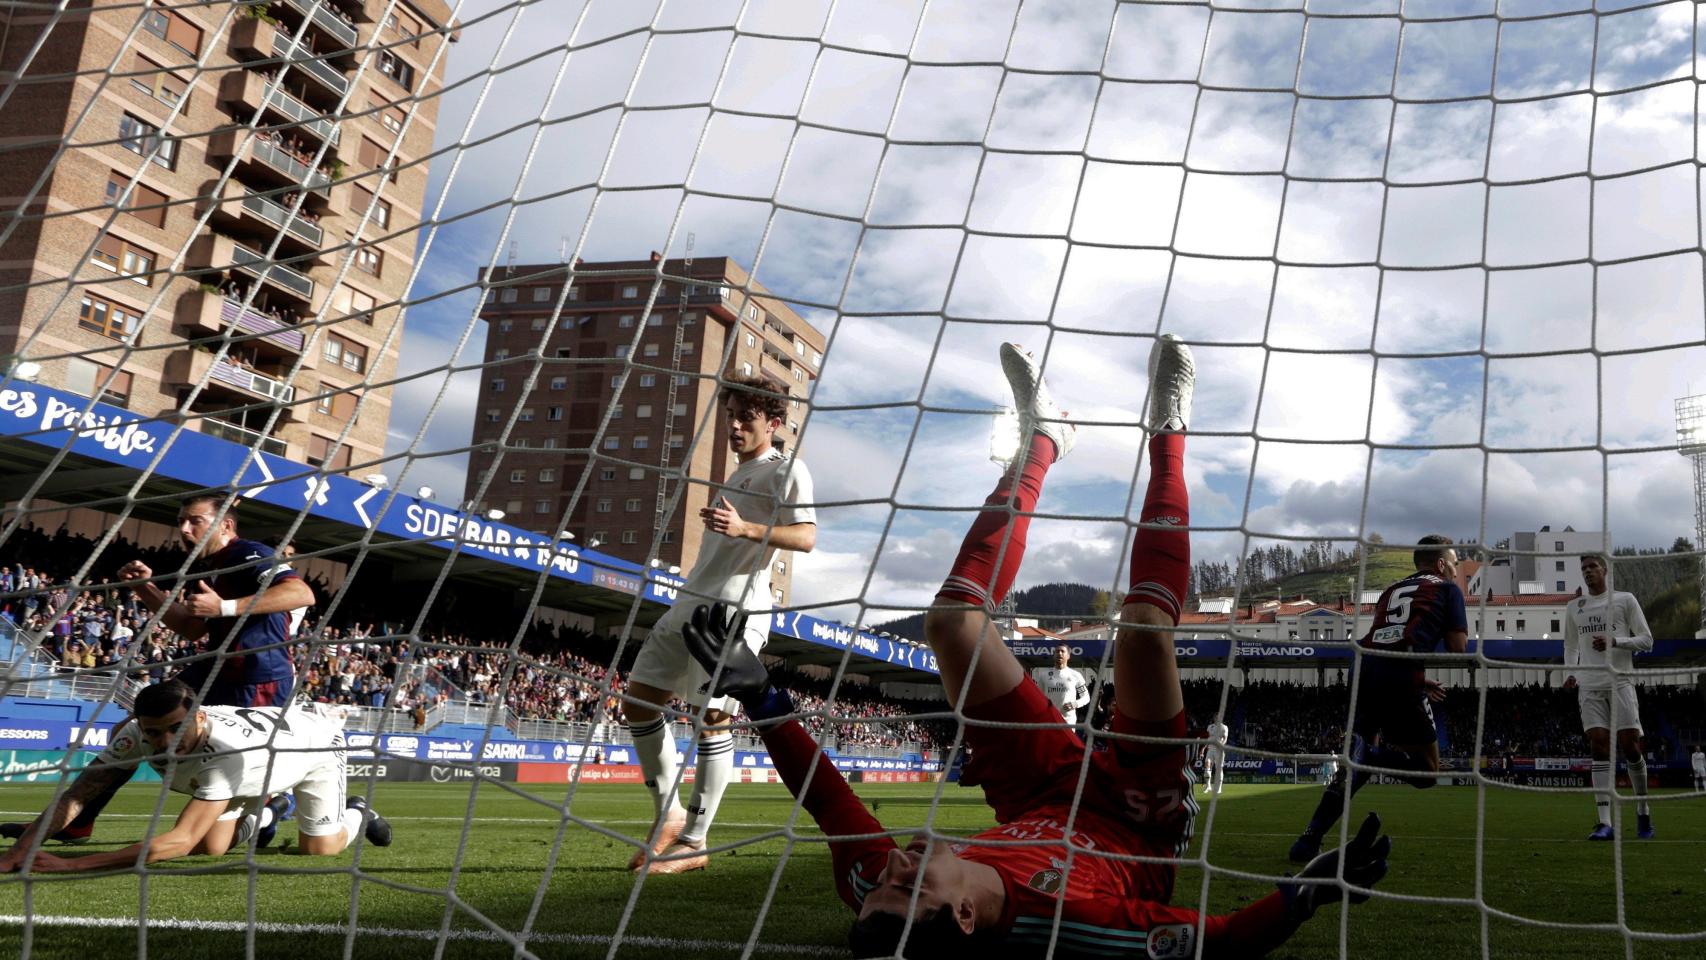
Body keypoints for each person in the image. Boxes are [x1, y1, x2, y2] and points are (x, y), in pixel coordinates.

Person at [677, 339, 1391, 956]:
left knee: (951, 625)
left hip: (1032, 792)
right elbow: (1226, 942)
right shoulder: (1074, 926)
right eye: (907, 888)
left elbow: (827, 802)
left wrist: (761, 694)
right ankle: (1169, 430)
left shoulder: (877, 881)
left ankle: (1043, 440)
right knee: (1142, 630)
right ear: (963, 915)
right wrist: (1307, 892)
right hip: (1132, 824)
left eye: (877, 890)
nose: (892, 872)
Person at [1, 494, 315, 845]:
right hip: (211, 667)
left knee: (218, 830)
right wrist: (144, 588)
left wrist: (225, 606)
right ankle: (78, 823)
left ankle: (270, 813)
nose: (183, 528)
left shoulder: (248, 553)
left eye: (194, 520)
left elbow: (301, 593)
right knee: (129, 730)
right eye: (181, 521)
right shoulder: (204, 563)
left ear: (225, 525)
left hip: (257, 677)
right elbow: (194, 628)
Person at [621, 375, 816, 874]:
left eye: (745, 419)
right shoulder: (734, 474)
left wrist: (746, 527)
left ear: (773, 423)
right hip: (689, 602)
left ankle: (696, 840)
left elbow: (807, 537)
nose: (734, 426)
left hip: (733, 611)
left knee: (712, 717)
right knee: (638, 701)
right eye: (730, 416)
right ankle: (668, 816)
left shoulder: (786, 470)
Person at [0, 679, 390, 874]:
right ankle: (270, 812)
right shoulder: (134, 734)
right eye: (153, 732)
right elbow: (79, 795)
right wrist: (23, 849)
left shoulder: (227, 752)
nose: (165, 742)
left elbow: (180, 841)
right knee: (213, 849)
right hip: (247, 774)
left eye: (176, 728)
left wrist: (75, 865)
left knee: (319, 850)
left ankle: (359, 812)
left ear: (199, 717)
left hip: (311, 750)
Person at [1290, 534, 1467, 862]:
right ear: (1442, 564)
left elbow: (1387, 639)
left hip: (1365, 668)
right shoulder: (1447, 589)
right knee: (1428, 772)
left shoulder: (1389, 591)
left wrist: (1417, 674)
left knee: (1353, 770)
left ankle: (1309, 838)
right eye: (1455, 565)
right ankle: (1371, 756)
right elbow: (1458, 648)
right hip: (1399, 674)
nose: (1456, 572)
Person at [1563, 554, 1655, 840]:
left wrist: (1615, 641)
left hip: (1620, 682)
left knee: (1630, 746)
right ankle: (1605, 822)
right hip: (1590, 685)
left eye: (1592, 567)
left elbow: (1647, 640)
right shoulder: (1574, 606)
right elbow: (1570, 645)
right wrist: (1570, 672)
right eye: (1584, 569)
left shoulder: (1625, 600)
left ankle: (1643, 810)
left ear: (1605, 570)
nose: (1588, 572)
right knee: (1599, 745)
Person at [1032, 643, 1090, 725]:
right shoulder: (1044, 675)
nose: (1059, 653)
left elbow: (1086, 697)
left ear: (1068, 656)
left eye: (1062, 651)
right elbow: (1038, 697)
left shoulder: (1076, 675)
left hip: (1068, 721)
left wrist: (1075, 704)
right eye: (1057, 651)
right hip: (1049, 720)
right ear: (1053, 655)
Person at [1203, 715, 1230, 796]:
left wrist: (1221, 745)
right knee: (1207, 766)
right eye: (1215, 717)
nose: (1216, 719)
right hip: (1210, 749)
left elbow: (1225, 738)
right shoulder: (1210, 727)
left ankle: (1219, 789)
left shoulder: (1224, 727)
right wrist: (1203, 748)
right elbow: (1208, 738)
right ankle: (1208, 786)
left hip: (1219, 750)